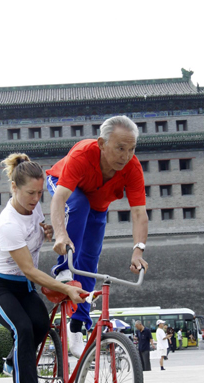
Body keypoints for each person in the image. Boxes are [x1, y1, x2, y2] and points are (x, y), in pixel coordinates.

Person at [0, 153, 87, 383]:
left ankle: (11, 361)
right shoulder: (8, 224)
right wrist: (66, 290)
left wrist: (48, 231)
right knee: (23, 329)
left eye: (39, 193)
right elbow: (29, 269)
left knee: (42, 327)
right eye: (30, 193)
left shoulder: (34, 208)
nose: (35, 199)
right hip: (2, 288)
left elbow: (38, 229)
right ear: (14, 188)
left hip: (25, 288)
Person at [46, 116, 148, 358]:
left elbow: (139, 213)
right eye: (120, 148)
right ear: (102, 143)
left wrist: (138, 251)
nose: (126, 156)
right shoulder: (83, 154)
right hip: (65, 186)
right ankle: (62, 269)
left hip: (98, 205)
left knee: (91, 257)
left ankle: (78, 323)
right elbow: (59, 199)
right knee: (78, 205)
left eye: (131, 149)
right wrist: (60, 234)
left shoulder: (132, 168)